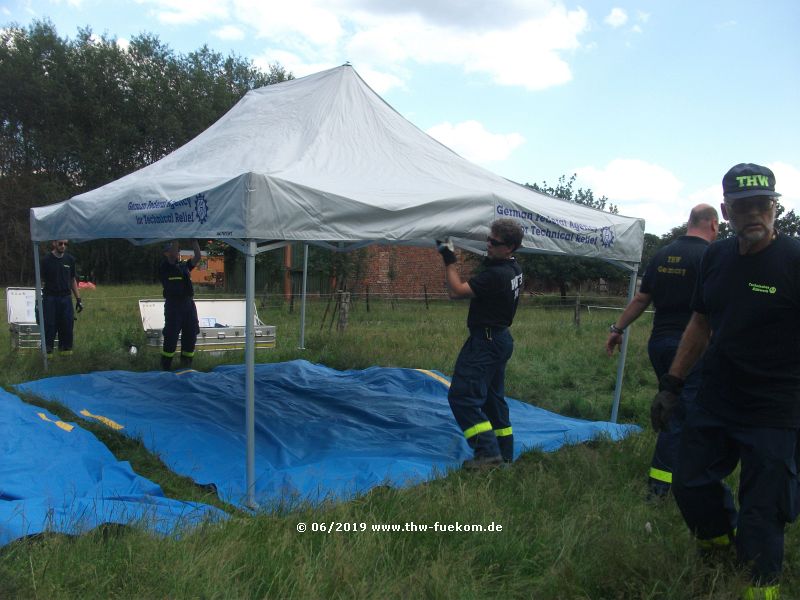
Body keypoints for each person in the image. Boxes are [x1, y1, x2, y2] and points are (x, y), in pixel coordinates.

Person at [651, 164, 800, 599]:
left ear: (776, 207)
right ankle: (718, 547)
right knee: (689, 484)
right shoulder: (715, 257)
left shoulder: (794, 260)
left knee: (763, 509)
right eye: (743, 206)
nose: (755, 214)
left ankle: (762, 588)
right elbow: (700, 321)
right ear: (726, 211)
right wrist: (672, 383)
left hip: (776, 407)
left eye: (763, 205)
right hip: (717, 395)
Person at [606, 204, 719, 498]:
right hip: (692, 347)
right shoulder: (710, 256)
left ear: (689, 222)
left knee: (676, 404)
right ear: (713, 226)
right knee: (683, 413)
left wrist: (617, 329)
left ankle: (679, 471)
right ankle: (661, 486)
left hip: (660, 344)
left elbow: (641, 299)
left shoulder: (662, 255)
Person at [437, 218, 524, 469]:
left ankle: (487, 454)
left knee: (463, 397)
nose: (487, 244)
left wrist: (448, 258)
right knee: (493, 401)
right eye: (488, 238)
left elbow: (456, 292)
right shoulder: (515, 269)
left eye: (493, 242)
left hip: (485, 342)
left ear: (509, 247)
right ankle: (505, 452)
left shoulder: (496, 275)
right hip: (500, 339)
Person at [159, 239, 201, 370]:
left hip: (188, 305)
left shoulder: (184, 266)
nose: (176, 252)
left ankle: (186, 367)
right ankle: (166, 367)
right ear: (166, 253)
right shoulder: (165, 266)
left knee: (191, 335)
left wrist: (194, 240)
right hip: (173, 306)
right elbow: (172, 256)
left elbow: (198, 257)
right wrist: (177, 236)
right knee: (171, 337)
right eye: (173, 250)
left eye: (177, 250)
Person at [40, 239, 83, 356]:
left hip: (66, 298)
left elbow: (72, 280)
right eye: (60, 243)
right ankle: (47, 356)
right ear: (54, 243)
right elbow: (39, 281)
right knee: (50, 326)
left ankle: (66, 356)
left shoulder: (70, 260)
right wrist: (37, 301)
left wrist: (78, 299)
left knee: (67, 326)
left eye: (65, 244)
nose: (63, 246)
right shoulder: (46, 260)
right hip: (50, 298)